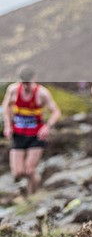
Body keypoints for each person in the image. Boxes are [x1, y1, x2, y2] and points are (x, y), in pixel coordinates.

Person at [2, 66, 62, 195]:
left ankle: (32, 195)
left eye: (28, 83)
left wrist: (47, 126)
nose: (25, 86)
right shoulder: (13, 90)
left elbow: (56, 112)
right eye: (22, 83)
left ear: (34, 79)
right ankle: (29, 186)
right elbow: (6, 106)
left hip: (36, 136)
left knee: (29, 170)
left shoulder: (42, 93)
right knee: (18, 172)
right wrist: (8, 125)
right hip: (18, 135)